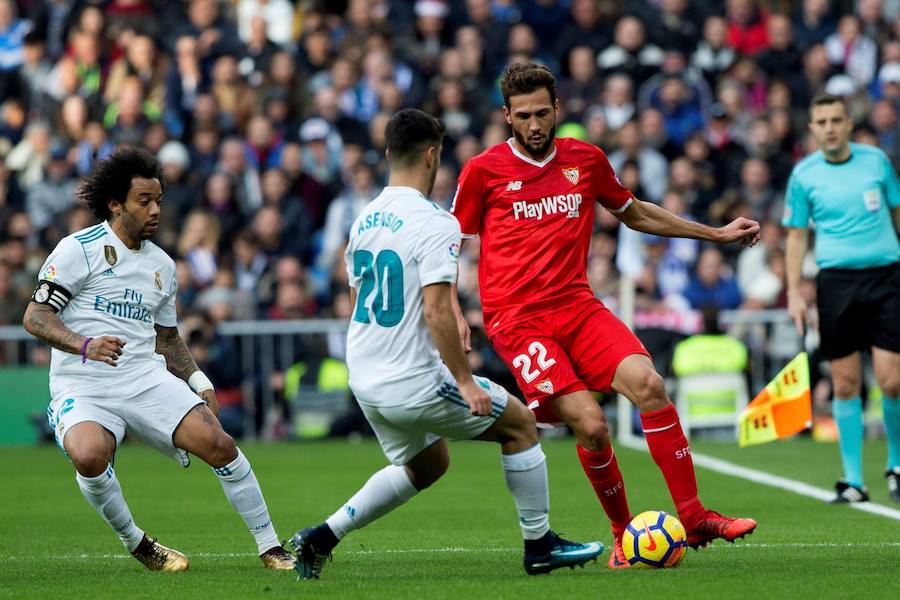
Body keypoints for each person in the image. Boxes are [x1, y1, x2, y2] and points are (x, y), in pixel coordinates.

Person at [450, 63, 759, 568]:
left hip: (577, 305)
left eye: (542, 113)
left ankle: (695, 515)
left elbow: (633, 211)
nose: (534, 125)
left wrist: (715, 234)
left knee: (650, 384)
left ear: (558, 110)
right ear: (506, 116)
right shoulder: (483, 171)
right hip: (518, 320)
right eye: (523, 115)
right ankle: (623, 535)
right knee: (592, 424)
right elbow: (450, 241)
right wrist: (456, 311)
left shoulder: (585, 160)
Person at [288, 109, 603, 579]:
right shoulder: (437, 222)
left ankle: (320, 538)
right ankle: (540, 546)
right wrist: (464, 382)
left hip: (366, 377)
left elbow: (357, 303)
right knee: (520, 426)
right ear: (433, 156)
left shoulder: (363, 219)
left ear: (390, 153)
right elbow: (436, 309)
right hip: (411, 380)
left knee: (428, 463)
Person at [22, 148, 295, 571]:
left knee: (221, 445)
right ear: (115, 204)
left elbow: (168, 339)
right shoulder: (78, 249)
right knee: (90, 455)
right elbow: (35, 317)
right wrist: (84, 344)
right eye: (144, 201)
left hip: (143, 377)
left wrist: (200, 381)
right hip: (83, 383)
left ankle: (271, 547)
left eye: (159, 201)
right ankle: (138, 543)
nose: (155, 211)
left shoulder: (163, 266)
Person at [784, 94, 900, 504]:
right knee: (846, 383)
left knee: (893, 379)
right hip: (836, 283)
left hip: (886, 277)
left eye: (836, 119)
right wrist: (795, 292)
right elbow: (797, 235)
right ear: (813, 128)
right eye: (822, 121)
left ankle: (896, 465)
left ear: (849, 123)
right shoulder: (804, 175)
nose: (829, 127)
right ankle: (854, 481)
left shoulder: (876, 163)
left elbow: (897, 213)